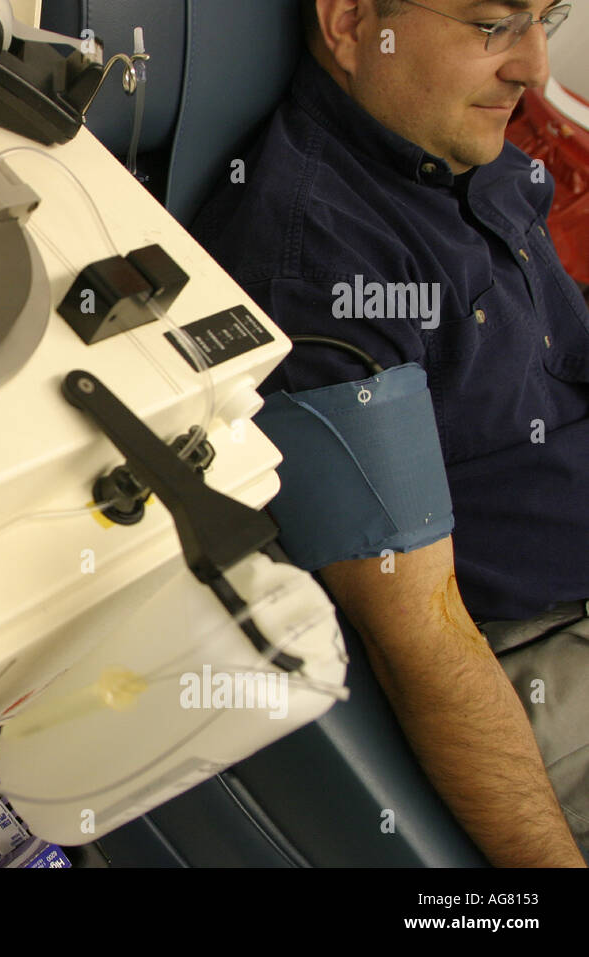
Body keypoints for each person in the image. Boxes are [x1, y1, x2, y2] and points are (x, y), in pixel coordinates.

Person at [192, 0, 588, 866]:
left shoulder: (458, 154)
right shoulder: (326, 267)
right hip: (546, 659)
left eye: (544, 20)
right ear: (348, 24)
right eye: (493, 24)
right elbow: (426, 639)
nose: (530, 65)